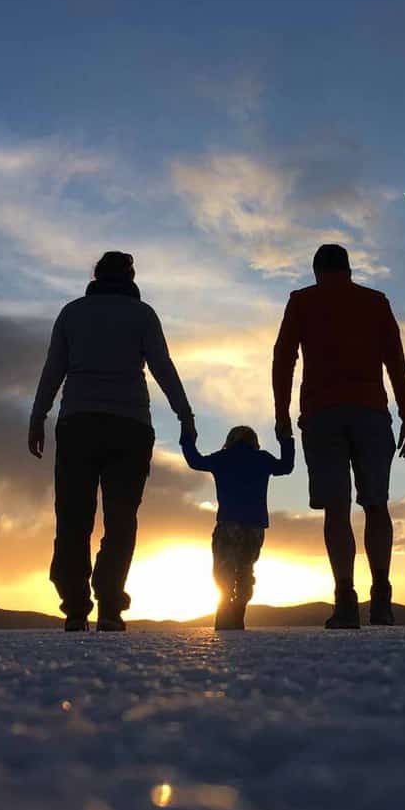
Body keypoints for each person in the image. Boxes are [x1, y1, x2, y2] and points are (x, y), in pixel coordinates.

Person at [28, 251, 196, 631]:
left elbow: (53, 368)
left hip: (78, 425)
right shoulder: (143, 314)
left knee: (73, 518)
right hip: (130, 426)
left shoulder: (72, 312)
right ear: (131, 277)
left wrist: (38, 415)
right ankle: (108, 605)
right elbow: (162, 366)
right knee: (121, 519)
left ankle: (74, 606)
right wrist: (185, 415)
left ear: (96, 276)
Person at [271, 243, 405, 629]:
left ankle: (346, 602)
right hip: (370, 413)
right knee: (376, 505)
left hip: (322, 416)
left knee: (337, 509)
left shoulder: (302, 302)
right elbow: (396, 361)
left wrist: (281, 410)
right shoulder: (375, 302)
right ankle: (382, 600)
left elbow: (283, 357)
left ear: (316, 270)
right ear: (349, 270)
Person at [181, 424, 295, 630]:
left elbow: (195, 461)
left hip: (228, 524)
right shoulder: (262, 458)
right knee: (245, 569)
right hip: (255, 526)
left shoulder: (223, 457)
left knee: (223, 569)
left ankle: (225, 609)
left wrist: (187, 437)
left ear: (230, 440)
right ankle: (239, 609)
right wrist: (286, 440)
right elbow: (286, 467)